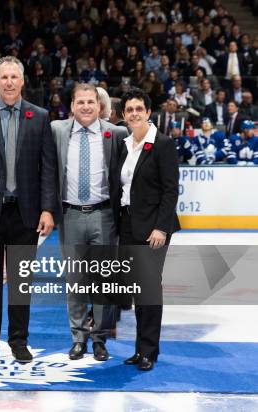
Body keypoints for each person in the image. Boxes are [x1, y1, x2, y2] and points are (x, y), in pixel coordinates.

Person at [0, 56, 60, 363]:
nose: (8, 82)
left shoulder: (40, 116)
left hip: (26, 213)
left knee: (20, 282)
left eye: (13, 77)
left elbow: (48, 169)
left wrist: (47, 209)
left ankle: (19, 340)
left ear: (22, 81)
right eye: (3, 77)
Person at [50, 83, 128, 361]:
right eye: (80, 102)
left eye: (90, 102)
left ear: (100, 106)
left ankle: (100, 339)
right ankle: (79, 337)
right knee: (75, 281)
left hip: (104, 215)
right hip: (70, 215)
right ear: (71, 106)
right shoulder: (57, 130)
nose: (85, 107)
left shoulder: (117, 133)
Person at [113, 88, 180, 371]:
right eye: (129, 109)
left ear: (149, 113)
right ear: (124, 115)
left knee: (149, 290)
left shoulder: (162, 144)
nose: (134, 113)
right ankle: (140, 348)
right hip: (128, 225)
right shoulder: (124, 144)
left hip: (153, 229)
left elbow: (170, 190)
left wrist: (161, 228)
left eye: (139, 108)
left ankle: (149, 351)